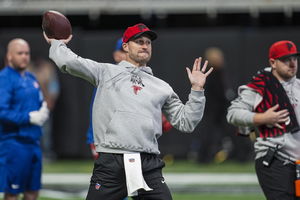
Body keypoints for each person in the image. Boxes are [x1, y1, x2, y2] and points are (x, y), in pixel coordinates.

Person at [44, 23, 213, 200]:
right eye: (139, 41)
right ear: (125, 46)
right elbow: (69, 62)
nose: (145, 46)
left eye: (148, 42)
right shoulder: (106, 72)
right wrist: (57, 43)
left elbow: (186, 122)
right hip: (111, 161)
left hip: (148, 163)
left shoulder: (162, 87)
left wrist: (197, 90)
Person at [227, 40, 300, 199]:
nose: (292, 63)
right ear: (273, 62)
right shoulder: (259, 86)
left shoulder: (299, 86)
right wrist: (261, 117)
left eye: (294, 58)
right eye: (286, 59)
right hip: (275, 160)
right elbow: (233, 113)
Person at [0, 38, 49, 200]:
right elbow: (2, 111)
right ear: (9, 56)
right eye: (20, 53)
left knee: (32, 191)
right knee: (12, 192)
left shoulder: (31, 78)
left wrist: (43, 110)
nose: (24, 57)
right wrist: (27, 118)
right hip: (14, 143)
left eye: (27, 53)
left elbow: (40, 102)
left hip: (33, 142)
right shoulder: (5, 79)